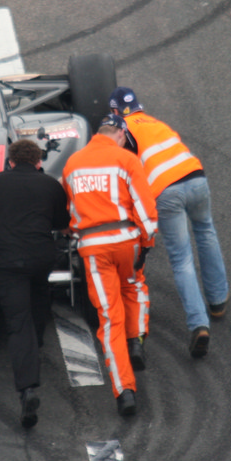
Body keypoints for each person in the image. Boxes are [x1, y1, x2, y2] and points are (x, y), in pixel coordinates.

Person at [109, 86, 229, 359]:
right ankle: (218, 300)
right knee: (206, 232)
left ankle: (199, 325)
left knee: (181, 258)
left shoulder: (123, 128)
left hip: (166, 191)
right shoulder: (156, 123)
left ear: (115, 111)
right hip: (196, 178)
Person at [60, 114, 157, 416]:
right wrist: (146, 243)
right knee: (134, 284)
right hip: (126, 239)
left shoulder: (72, 164)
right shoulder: (126, 159)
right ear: (121, 135)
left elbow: (70, 209)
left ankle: (124, 390)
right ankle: (136, 339)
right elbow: (145, 207)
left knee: (109, 317)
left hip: (92, 248)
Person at [0, 139, 70, 429]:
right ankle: (35, 344)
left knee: (18, 322)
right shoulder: (51, 185)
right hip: (41, 258)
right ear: (39, 162)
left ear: (10, 161)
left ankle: (27, 388)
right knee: (39, 300)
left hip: (9, 261)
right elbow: (61, 224)